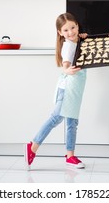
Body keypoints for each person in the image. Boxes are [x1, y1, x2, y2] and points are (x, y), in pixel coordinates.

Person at [24, 12, 87, 170]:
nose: (71, 32)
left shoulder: (76, 40)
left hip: (76, 88)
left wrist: (83, 36)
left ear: (77, 26)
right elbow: (65, 66)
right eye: (66, 30)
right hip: (68, 88)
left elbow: (79, 39)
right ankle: (32, 147)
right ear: (60, 33)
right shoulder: (67, 47)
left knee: (72, 122)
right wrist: (68, 71)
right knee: (56, 118)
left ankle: (70, 156)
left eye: (73, 27)